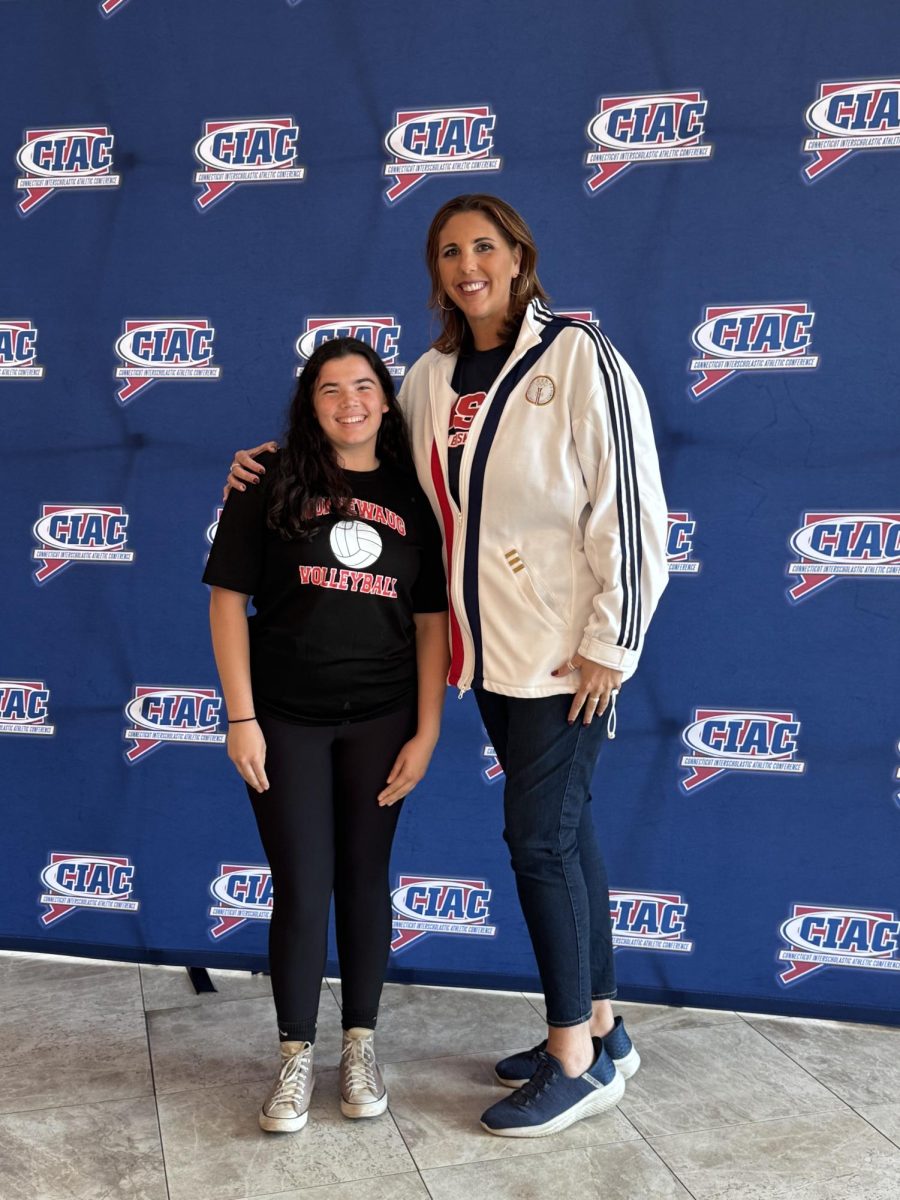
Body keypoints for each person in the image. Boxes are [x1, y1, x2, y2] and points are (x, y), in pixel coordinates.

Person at [227, 194, 668, 1138]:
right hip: (495, 658)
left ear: (517, 255)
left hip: (570, 656)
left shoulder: (578, 357)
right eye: (447, 251)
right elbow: (362, 450)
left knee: (541, 844)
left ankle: (575, 1063)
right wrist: (263, 463)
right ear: (436, 272)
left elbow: (628, 507)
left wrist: (611, 642)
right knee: (570, 831)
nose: (466, 264)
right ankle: (602, 1026)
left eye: (483, 246)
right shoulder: (428, 377)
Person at [205, 336, 449, 1134]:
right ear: (310, 404)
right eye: (330, 389)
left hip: (382, 720)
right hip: (283, 721)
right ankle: (293, 1055)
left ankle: (360, 1044)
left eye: (365, 386)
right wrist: (241, 718)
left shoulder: (419, 493)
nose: (351, 400)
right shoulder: (270, 478)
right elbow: (227, 602)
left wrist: (429, 728)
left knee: (367, 880)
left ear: (387, 398)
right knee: (304, 887)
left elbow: (430, 621)